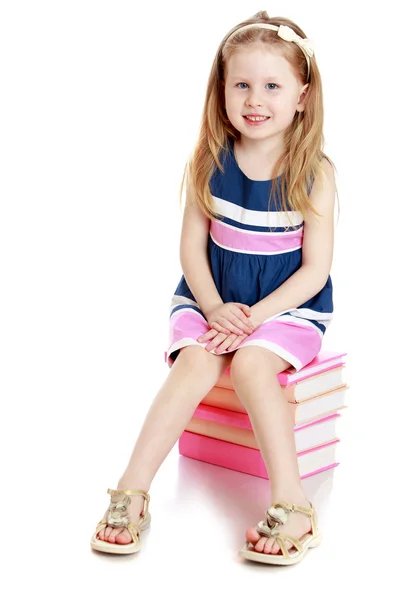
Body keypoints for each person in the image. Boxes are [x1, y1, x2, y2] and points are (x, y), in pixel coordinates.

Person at [90, 9, 336, 566]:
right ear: (221, 91)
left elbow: (314, 272)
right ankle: (132, 490)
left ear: (301, 94)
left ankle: (294, 504)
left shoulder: (313, 172)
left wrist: (252, 319)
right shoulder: (209, 160)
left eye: (272, 85)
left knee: (250, 366)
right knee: (196, 363)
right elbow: (191, 251)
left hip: (285, 306)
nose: (255, 98)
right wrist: (214, 308)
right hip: (210, 296)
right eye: (241, 84)